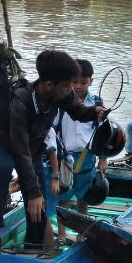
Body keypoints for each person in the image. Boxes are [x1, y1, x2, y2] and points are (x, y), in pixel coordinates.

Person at [0, 50, 106, 254]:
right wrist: (30, 191)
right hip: (6, 144)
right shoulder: (21, 103)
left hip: (32, 149)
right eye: (67, 85)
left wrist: (95, 112)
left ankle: (33, 245)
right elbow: (19, 150)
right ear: (49, 85)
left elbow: (78, 111)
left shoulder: (60, 93)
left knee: (39, 201)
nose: (71, 90)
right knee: (3, 171)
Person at [48, 58, 108, 241]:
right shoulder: (62, 102)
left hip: (87, 155)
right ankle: (62, 234)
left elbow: (103, 132)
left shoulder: (96, 102)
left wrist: (103, 158)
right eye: (74, 82)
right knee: (64, 196)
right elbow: (53, 128)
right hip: (65, 156)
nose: (79, 86)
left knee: (84, 195)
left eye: (83, 82)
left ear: (91, 80)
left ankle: (83, 234)